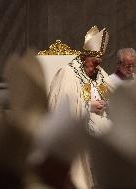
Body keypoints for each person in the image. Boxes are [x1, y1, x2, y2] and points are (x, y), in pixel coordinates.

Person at [48, 25, 113, 189]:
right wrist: (87, 106)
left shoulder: (98, 72)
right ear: (84, 57)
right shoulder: (67, 73)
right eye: (93, 63)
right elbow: (59, 108)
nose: (96, 67)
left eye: (99, 63)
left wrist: (108, 103)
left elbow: (112, 93)